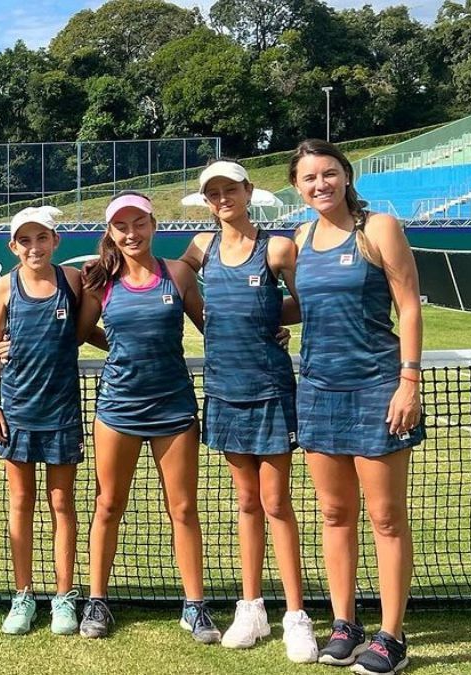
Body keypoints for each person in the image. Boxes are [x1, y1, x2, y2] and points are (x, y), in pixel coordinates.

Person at [288, 140, 423, 675]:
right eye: (309, 178)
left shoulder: (379, 228)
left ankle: (392, 636)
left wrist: (408, 381)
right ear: (297, 188)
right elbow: (308, 305)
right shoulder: (300, 238)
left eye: (329, 173)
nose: (320, 184)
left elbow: (408, 306)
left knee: (386, 517)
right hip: (317, 391)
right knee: (334, 513)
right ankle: (345, 624)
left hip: (378, 389)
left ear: (346, 176)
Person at [177, 161, 318, 662]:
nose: (222, 198)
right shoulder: (200, 247)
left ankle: (296, 616)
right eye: (213, 192)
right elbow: (168, 282)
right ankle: (251, 608)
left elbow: (310, 301)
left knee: (276, 502)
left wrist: (271, 319)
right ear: (207, 200)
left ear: (248, 191)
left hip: (271, 390)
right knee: (246, 502)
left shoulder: (277, 249)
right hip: (224, 390)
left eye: (230, 189)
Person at [75, 191, 220, 644]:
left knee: (183, 508)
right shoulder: (99, 281)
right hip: (117, 409)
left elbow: (213, 327)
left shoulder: (178, 275)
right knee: (108, 505)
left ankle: (194, 606)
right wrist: (10, 343)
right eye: (122, 227)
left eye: (139, 224)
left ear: (154, 226)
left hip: (174, 409)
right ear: (111, 233)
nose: (131, 233)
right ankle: (97, 600)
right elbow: (77, 333)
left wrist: (267, 333)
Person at [0, 206, 85, 635]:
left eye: (42, 238)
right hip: (17, 413)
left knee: (62, 504)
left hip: (62, 413)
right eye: (25, 240)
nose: (34, 247)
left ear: (55, 241)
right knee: (21, 503)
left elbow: (87, 330)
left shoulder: (74, 281)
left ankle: (64, 597)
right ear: (13, 246)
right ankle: (22, 595)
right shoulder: (4, 287)